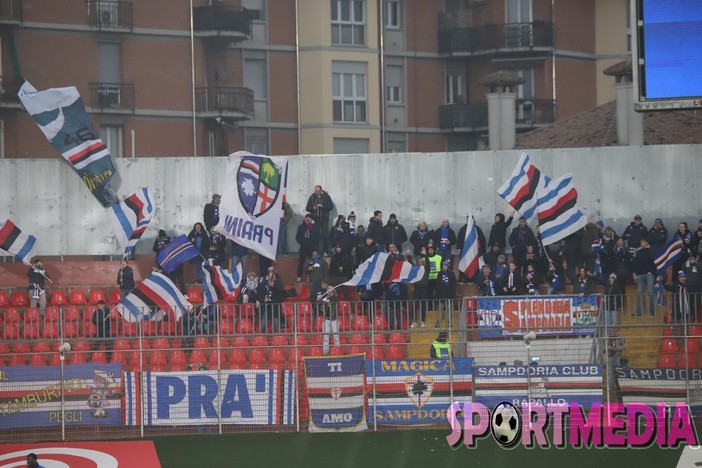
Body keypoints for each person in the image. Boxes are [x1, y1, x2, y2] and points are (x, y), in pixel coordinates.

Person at [305, 185, 334, 256]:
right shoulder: (312, 197)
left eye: (318, 191)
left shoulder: (326, 197)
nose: (317, 192)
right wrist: (313, 208)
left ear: (321, 190)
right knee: (315, 235)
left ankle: (325, 251)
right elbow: (307, 208)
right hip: (315, 219)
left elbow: (331, 206)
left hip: (324, 219)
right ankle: (316, 251)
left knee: (325, 235)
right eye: (315, 191)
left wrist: (322, 206)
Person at [457, 215, 486, 282]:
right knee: (463, 263)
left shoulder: (477, 229)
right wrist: (458, 247)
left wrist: (482, 249)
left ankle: (473, 278)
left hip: (474, 251)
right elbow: (459, 238)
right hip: (464, 251)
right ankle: (461, 278)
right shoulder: (463, 229)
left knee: (474, 265)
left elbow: (482, 239)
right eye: (467, 219)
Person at [633, 237, 657, 317]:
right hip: (640, 274)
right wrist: (636, 272)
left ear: (647, 243)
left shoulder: (651, 251)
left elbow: (655, 263)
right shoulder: (639, 252)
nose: (641, 244)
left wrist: (652, 271)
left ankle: (652, 310)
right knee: (639, 292)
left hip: (649, 274)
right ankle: (639, 311)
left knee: (650, 292)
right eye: (641, 242)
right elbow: (636, 263)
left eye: (643, 242)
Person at [257, 267, 284, 332]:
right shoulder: (263, 285)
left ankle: (277, 338)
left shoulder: (278, 284)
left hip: (275, 307)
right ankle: (263, 338)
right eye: (270, 277)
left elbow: (281, 292)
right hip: (265, 307)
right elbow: (258, 295)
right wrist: (263, 299)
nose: (271, 278)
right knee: (263, 324)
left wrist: (273, 286)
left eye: (273, 277)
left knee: (276, 325)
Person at [316, 281, 340, 355]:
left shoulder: (335, 298)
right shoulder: (326, 298)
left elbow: (335, 298)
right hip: (326, 320)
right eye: (327, 289)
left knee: (336, 336)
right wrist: (319, 299)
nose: (328, 290)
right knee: (326, 336)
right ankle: (325, 352)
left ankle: (337, 350)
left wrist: (332, 292)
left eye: (330, 289)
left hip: (334, 320)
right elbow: (320, 302)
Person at [296, 214, 320, 282]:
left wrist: (313, 243)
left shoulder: (315, 227)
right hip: (303, 248)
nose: (308, 219)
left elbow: (319, 237)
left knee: (313, 262)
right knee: (301, 262)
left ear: (312, 220)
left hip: (312, 248)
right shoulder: (301, 227)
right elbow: (297, 237)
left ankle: (311, 276)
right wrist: (302, 242)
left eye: (309, 218)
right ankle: (299, 276)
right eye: (306, 217)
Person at [435, 260, 456, 328]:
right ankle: (438, 322)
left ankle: (448, 323)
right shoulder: (440, 273)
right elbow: (437, 284)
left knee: (449, 310)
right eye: (443, 265)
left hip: (449, 294)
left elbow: (454, 284)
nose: (444, 267)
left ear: (448, 266)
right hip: (441, 294)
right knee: (440, 309)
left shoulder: (451, 274)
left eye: (445, 265)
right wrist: (437, 294)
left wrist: (453, 293)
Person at [410, 258, 430, 328]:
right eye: (419, 263)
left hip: (424, 291)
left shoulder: (426, 270)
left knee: (423, 307)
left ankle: (422, 321)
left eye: (422, 263)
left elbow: (428, 264)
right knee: (414, 307)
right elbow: (412, 265)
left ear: (424, 264)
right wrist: (409, 256)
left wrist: (425, 255)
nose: (420, 264)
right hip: (416, 290)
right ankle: (414, 321)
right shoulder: (416, 270)